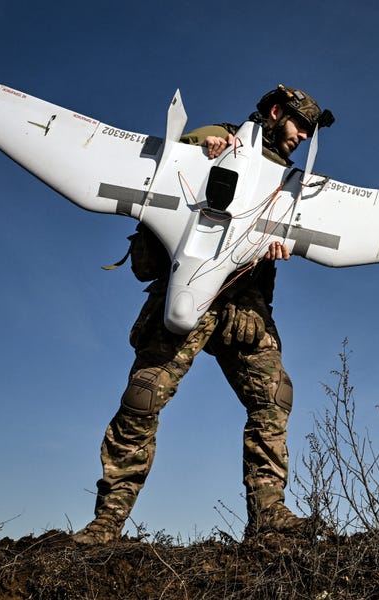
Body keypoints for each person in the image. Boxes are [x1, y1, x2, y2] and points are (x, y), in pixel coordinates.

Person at [71, 85, 334, 544]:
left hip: (244, 312)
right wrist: (202, 150)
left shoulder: (289, 187)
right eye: (300, 126)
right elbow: (170, 170)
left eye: (310, 132)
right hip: (188, 297)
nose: (304, 138)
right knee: (143, 399)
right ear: (276, 112)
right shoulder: (214, 141)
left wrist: (275, 250)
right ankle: (107, 521)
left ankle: (269, 514)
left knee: (273, 399)